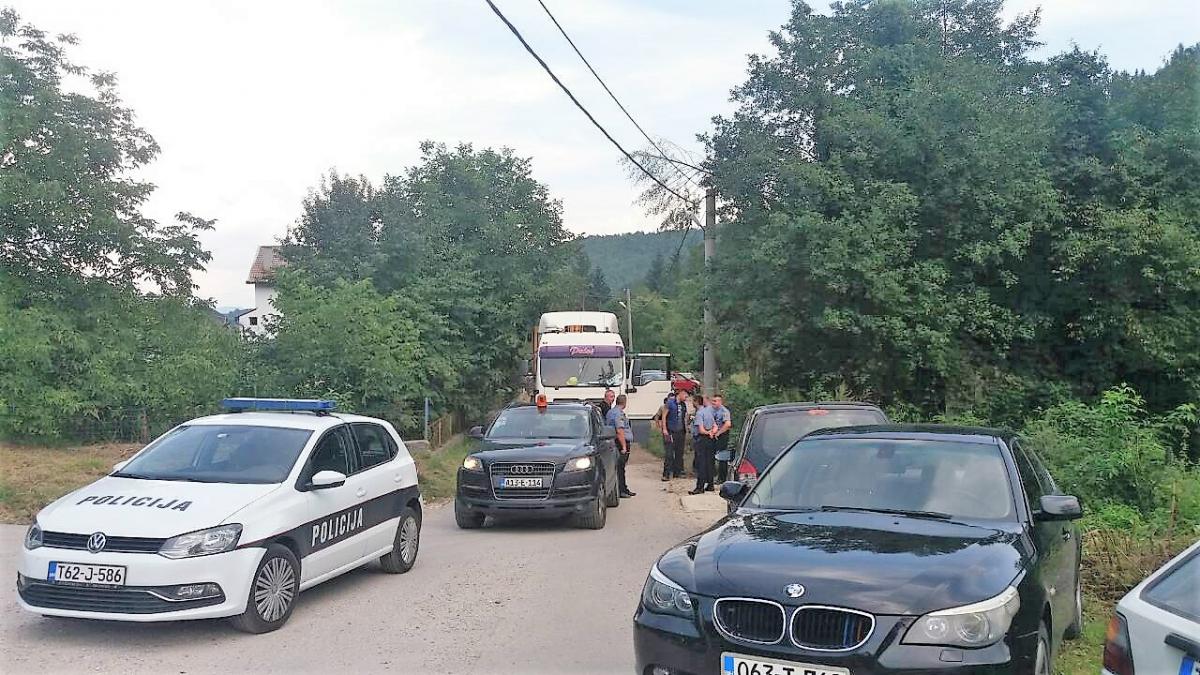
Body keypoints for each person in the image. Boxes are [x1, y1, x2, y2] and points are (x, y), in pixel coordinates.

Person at [605, 394, 636, 498]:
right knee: (620, 468)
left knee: (619, 468)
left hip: (614, 442)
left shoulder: (611, 412)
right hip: (620, 442)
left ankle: (623, 488)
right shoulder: (618, 414)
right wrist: (623, 447)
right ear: (624, 403)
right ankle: (621, 490)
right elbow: (620, 431)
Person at [690, 397, 716, 495]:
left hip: (702, 439)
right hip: (710, 439)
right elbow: (715, 425)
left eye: (693, 401)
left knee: (701, 463)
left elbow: (700, 430)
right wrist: (712, 432)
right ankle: (710, 485)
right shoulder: (708, 412)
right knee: (709, 462)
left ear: (696, 402)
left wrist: (707, 432)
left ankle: (700, 487)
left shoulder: (699, 414)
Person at [660, 389, 688, 481]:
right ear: (680, 393)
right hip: (670, 430)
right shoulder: (670, 403)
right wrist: (664, 429)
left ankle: (677, 472)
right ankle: (666, 473)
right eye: (685, 396)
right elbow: (664, 416)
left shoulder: (683, 405)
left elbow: (684, 417)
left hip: (680, 431)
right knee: (669, 453)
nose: (686, 398)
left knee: (679, 453)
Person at [712, 394, 733, 483]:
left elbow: (728, 424)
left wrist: (719, 433)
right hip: (714, 435)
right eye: (712, 401)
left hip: (722, 436)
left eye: (715, 401)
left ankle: (722, 478)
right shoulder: (712, 410)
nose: (713, 403)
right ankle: (713, 475)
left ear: (720, 402)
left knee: (722, 457)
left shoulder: (724, 411)